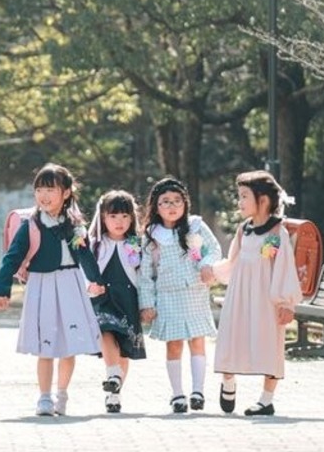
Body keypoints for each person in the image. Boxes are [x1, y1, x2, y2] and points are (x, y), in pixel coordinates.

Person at [0, 163, 100, 417]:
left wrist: (96, 279)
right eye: (39, 189)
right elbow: (12, 257)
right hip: (43, 285)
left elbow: (85, 255)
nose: (44, 195)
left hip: (71, 284)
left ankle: (62, 393)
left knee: (70, 346)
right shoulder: (31, 225)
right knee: (46, 346)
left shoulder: (75, 224)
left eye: (50, 189)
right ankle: (44, 398)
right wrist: (1, 287)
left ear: (66, 193)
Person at [213, 170, 303, 417]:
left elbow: (279, 266)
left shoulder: (276, 232)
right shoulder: (244, 230)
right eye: (239, 196)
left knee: (269, 343)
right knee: (231, 336)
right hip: (240, 295)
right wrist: (212, 272)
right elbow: (234, 262)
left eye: (244, 196)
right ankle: (228, 380)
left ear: (262, 200)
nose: (239, 202)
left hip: (266, 298)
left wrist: (286, 303)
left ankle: (266, 399)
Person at [138, 177, 222, 414]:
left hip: (194, 291)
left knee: (197, 341)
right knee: (174, 345)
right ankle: (177, 394)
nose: (172, 206)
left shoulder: (196, 226)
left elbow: (214, 249)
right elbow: (145, 274)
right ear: (156, 206)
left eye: (177, 200)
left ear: (185, 204)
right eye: (165, 202)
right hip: (167, 296)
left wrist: (207, 264)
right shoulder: (152, 237)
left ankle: (198, 392)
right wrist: (147, 304)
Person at [86, 189, 147, 414]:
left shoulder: (137, 243)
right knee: (105, 331)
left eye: (124, 216)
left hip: (128, 299)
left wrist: (147, 304)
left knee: (124, 349)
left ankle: (115, 392)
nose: (119, 221)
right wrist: (89, 287)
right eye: (113, 216)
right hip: (103, 298)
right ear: (103, 217)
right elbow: (84, 270)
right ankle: (112, 373)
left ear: (132, 218)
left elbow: (144, 274)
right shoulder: (95, 244)